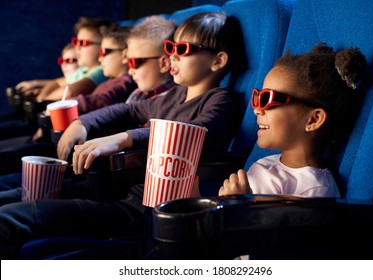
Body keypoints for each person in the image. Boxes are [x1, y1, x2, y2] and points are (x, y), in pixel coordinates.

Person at [0, 11, 243, 259]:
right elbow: (127, 109)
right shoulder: (174, 95)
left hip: (142, 208)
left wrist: (124, 138)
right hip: (116, 187)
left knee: (9, 219)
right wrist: (83, 122)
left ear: (218, 61)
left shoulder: (220, 100)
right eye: (170, 47)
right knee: (8, 208)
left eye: (182, 49)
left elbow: (200, 133)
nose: (172, 56)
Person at [0, 15, 176, 200]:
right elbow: (117, 111)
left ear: (164, 63)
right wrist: (81, 123)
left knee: (14, 200)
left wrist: (110, 138)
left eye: (134, 62)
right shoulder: (139, 93)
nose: (129, 67)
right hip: (90, 166)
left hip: (114, 184)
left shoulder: (151, 93)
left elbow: (103, 104)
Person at [217, 43, 366, 198]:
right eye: (258, 98)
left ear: (313, 120)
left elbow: (271, 222)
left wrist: (242, 204)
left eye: (268, 99)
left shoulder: (314, 189)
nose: (257, 109)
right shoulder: (266, 163)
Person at [36, 17, 115, 101]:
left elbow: (70, 92)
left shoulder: (101, 71)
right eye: (76, 42)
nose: (76, 47)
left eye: (82, 43)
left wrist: (42, 100)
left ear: (103, 45)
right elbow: (57, 82)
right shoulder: (83, 70)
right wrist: (40, 94)